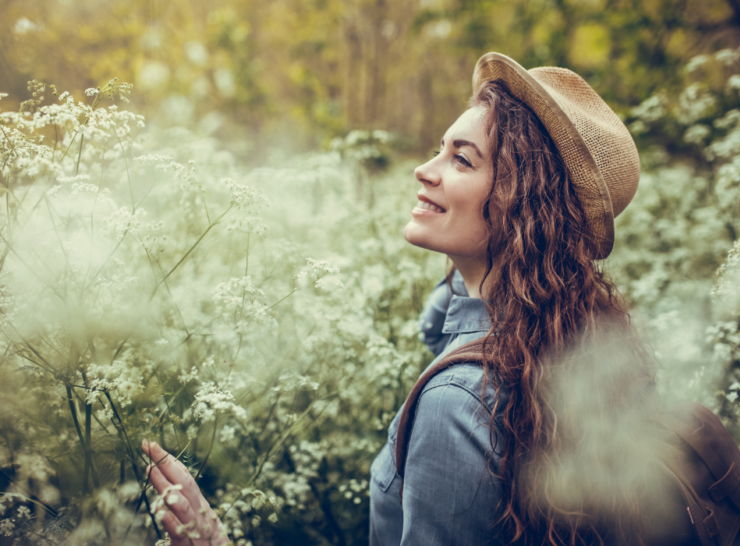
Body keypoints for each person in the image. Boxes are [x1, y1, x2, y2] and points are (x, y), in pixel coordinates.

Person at [142, 52, 649, 546]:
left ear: (519, 204)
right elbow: (443, 325)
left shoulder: (454, 407)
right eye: (440, 148)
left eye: (461, 160)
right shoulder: (578, 344)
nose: (423, 170)